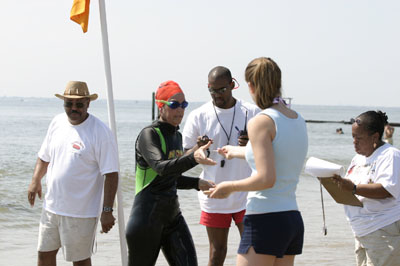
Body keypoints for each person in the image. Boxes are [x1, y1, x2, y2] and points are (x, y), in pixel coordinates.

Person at [205, 57, 308, 266]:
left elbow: (266, 178)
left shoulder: (261, 121)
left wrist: (229, 187)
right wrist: (236, 151)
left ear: (251, 86)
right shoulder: (296, 118)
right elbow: (279, 154)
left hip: (265, 219)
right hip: (291, 220)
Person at [27, 81, 119, 266]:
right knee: (44, 254)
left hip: (81, 213)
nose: (73, 108)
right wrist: (35, 180)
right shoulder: (57, 122)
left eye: (79, 104)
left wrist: (107, 211)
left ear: (88, 103)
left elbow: (111, 174)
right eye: (69, 104)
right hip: (51, 207)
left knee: (80, 261)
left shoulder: (100, 132)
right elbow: (44, 157)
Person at [125, 80, 216, 266]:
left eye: (184, 105)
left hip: (172, 218)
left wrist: (196, 183)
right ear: (160, 105)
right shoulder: (149, 135)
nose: (180, 110)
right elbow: (160, 167)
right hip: (146, 222)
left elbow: (171, 176)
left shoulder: (178, 136)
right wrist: (193, 157)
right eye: (174, 104)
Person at [182, 66, 260, 266]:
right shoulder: (199, 115)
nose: (216, 95)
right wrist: (198, 149)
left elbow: (269, 150)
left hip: (247, 193)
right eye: (212, 90)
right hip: (214, 192)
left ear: (232, 85)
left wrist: (251, 144)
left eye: (221, 90)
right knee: (217, 253)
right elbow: (185, 156)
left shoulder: (251, 112)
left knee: (254, 250)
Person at [332, 110, 400, 266]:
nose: (354, 142)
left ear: (375, 137)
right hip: (361, 231)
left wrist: (354, 188)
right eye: (353, 137)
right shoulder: (358, 158)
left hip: (383, 230)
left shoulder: (390, 155)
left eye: (359, 138)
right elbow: (350, 187)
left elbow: (386, 190)